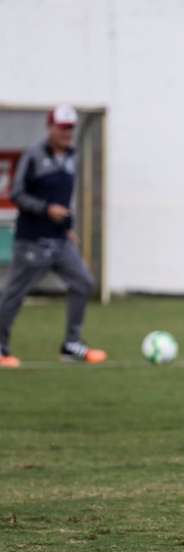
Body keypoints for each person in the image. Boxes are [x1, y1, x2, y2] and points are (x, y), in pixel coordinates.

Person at [0, 105, 106, 368]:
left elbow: (63, 198)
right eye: (62, 128)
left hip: (59, 240)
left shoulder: (72, 156)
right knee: (14, 293)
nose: (67, 133)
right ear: (50, 127)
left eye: (70, 128)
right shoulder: (34, 156)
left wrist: (66, 226)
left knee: (83, 282)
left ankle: (71, 344)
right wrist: (46, 210)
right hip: (32, 240)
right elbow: (17, 194)